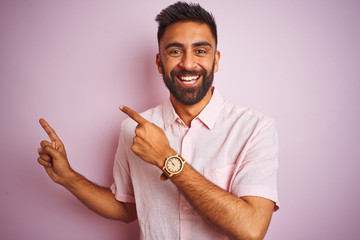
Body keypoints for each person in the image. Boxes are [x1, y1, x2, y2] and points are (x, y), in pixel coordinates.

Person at [37, 2, 279, 240]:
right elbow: (126, 208)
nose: (187, 63)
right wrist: (68, 177)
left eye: (200, 51)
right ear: (159, 62)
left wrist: (166, 159)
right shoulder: (133, 129)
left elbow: (251, 229)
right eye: (175, 51)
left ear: (215, 60)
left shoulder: (255, 129)